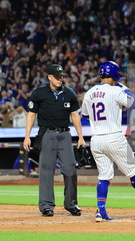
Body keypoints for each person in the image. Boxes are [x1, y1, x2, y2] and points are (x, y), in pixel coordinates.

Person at [81, 61, 135, 222]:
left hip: (96, 139)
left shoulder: (89, 92)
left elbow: (85, 114)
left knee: (104, 176)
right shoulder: (116, 90)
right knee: (132, 171)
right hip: (114, 137)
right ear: (113, 76)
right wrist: (124, 89)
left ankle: (100, 211)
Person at [23, 64, 85, 217]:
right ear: (49, 77)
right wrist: (27, 136)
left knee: (70, 170)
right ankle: (46, 206)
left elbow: (75, 115)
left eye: (61, 76)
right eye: (57, 76)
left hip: (65, 135)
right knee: (46, 172)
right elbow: (31, 115)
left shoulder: (69, 93)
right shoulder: (39, 93)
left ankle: (71, 204)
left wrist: (81, 137)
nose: (60, 79)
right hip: (47, 135)